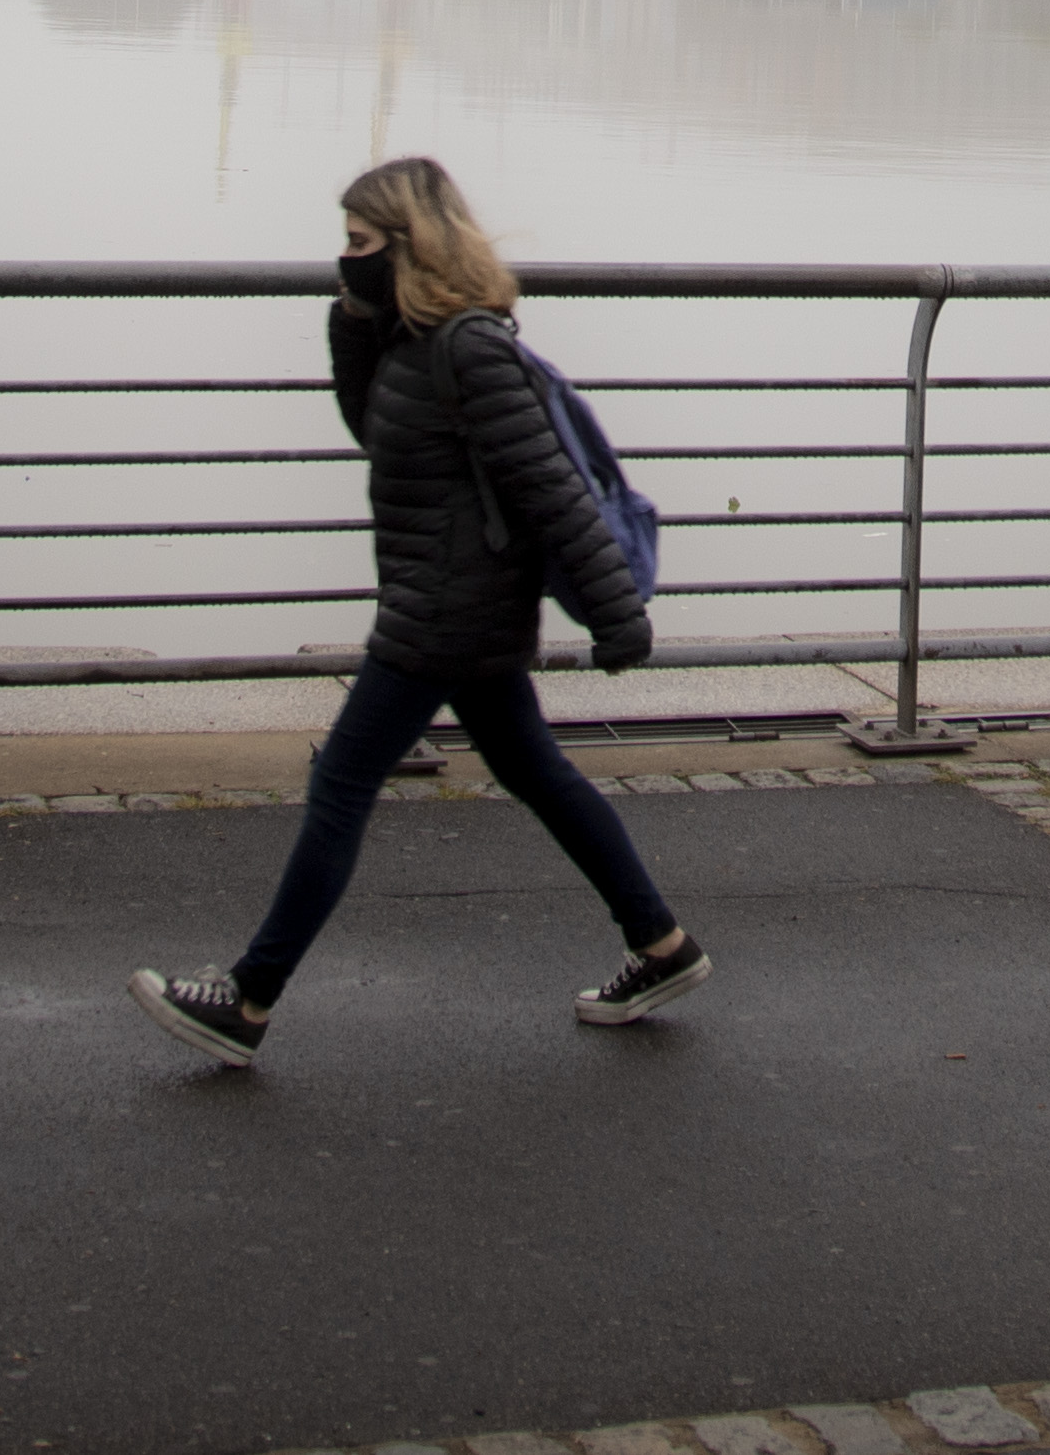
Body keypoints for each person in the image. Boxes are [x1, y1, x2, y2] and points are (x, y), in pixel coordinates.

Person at [130, 155, 700, 1067]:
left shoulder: (470, 348)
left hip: (443, 612)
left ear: (409, 242)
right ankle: (663, 947)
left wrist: (614, 614)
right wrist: (354, 317)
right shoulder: (412, 343)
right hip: (449, 603)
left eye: (358, 244)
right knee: (538, 773)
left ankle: (248, 998)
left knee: (342, 785)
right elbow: (372, 427)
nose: (343, 258)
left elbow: (550, 488)